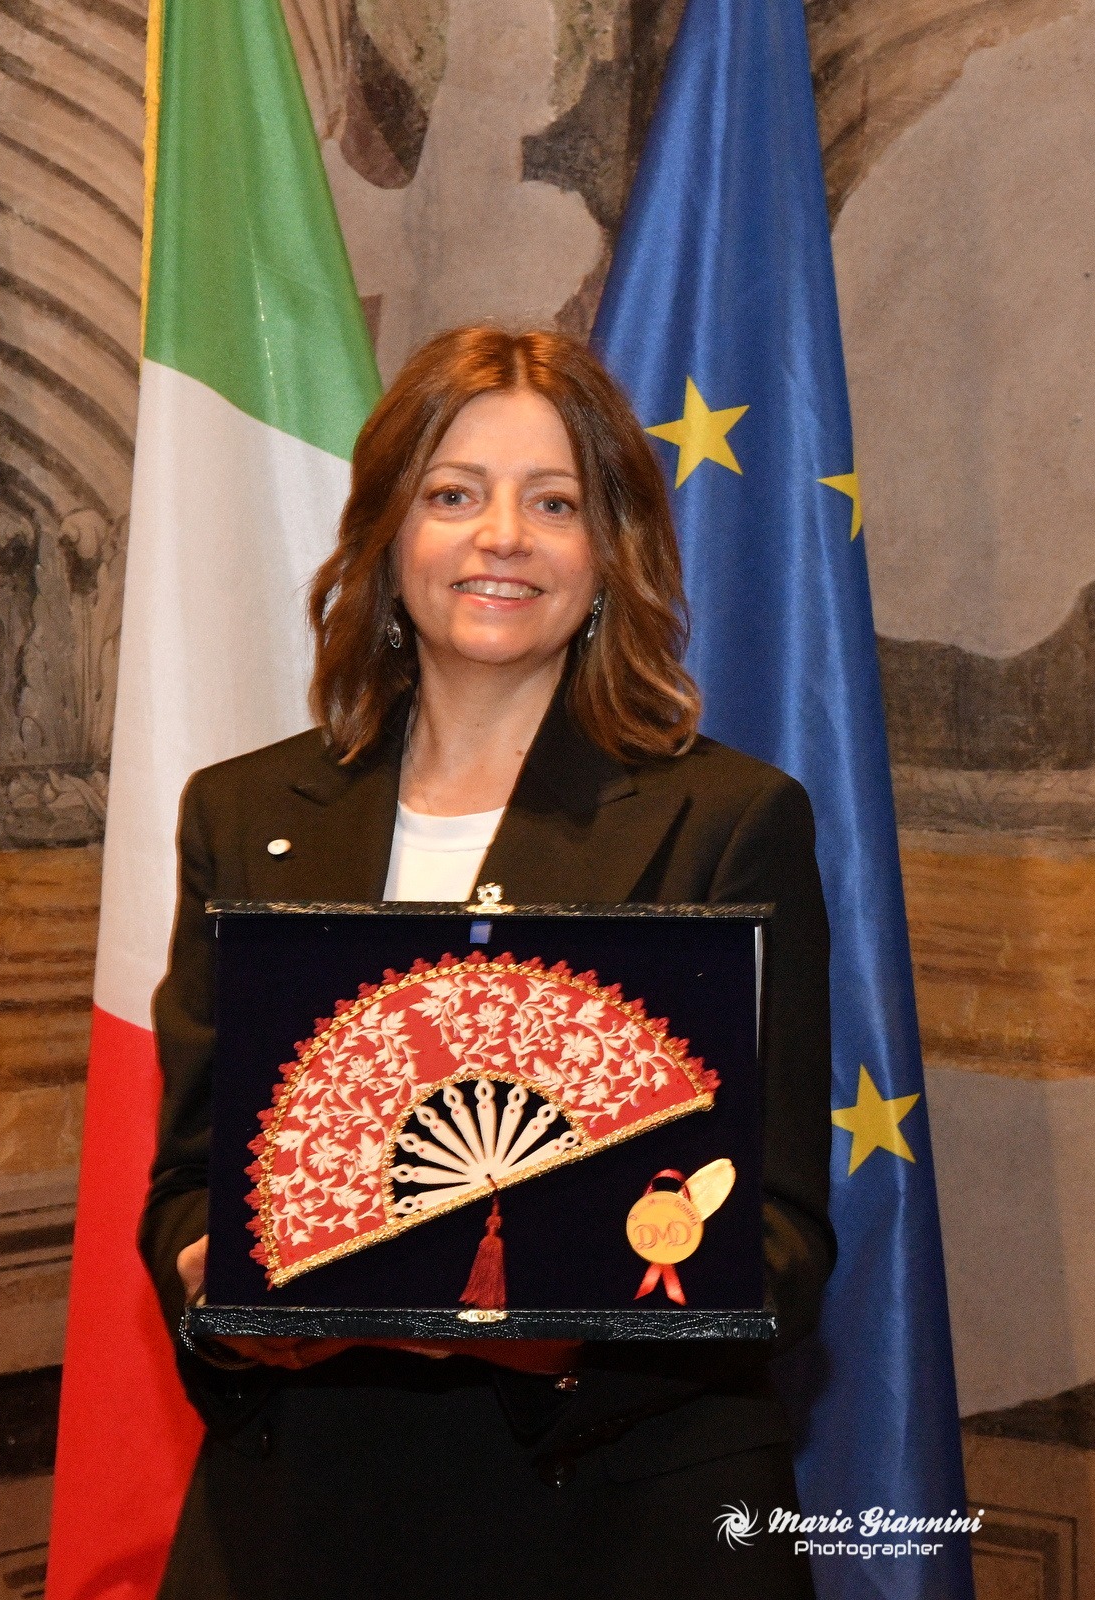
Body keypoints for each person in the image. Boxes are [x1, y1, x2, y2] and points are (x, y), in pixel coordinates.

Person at [141, 326, 834, 1598]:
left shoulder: (729, 820)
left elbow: (780, 1243)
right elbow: (190, 1180)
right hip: (301, 1513)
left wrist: (560, 1318)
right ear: (388, 537)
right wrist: (217, 1297)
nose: (499, 536)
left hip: (610, 1521)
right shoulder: (239, 816)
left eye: (553, 502)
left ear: (606, 552)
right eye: (453, 494)